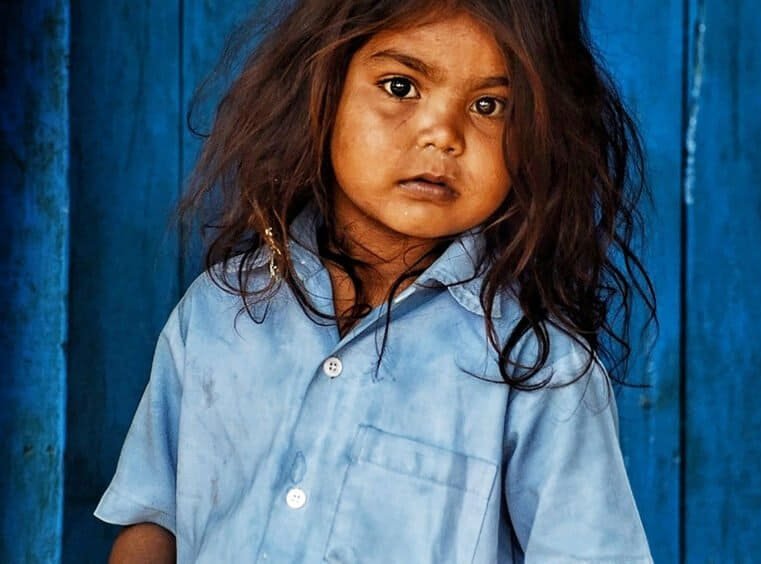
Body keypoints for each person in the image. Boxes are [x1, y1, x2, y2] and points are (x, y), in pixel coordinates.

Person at [95, 0, 657, 561]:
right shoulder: (218, 311)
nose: (443, 134)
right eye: (400, 87)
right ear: (324, 89)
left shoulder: (538, 368)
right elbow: (152, 518)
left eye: (488, 105)